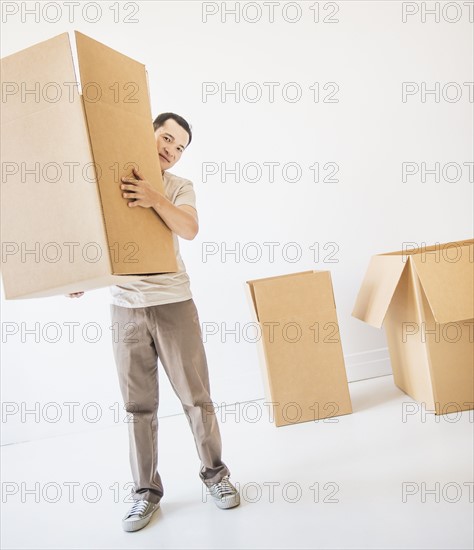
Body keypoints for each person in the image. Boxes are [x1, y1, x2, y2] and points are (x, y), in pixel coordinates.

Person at [68, 112, 240, 532]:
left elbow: (190, 228)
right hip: (124, 307)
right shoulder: (110, 177)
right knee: (138, 406)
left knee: (196, 398)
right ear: (147, 132)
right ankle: (145, 494)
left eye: (179, 147)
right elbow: (98, 234)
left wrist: (153, 196)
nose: (171, 150)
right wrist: (80, 276)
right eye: (166, 138)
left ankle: (216, 477)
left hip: (173, 304)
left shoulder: (179, 187)